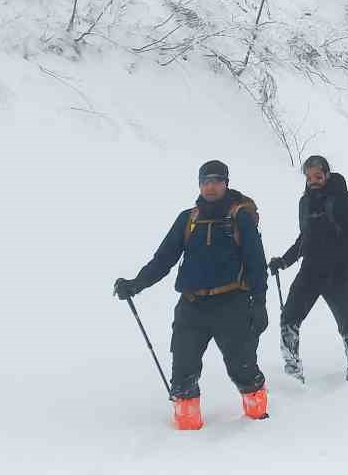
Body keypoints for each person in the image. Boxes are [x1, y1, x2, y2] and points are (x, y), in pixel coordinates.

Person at [114, 160, 268, 430]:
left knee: (242, 367)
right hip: (191, 306)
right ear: (199, 185)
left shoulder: (239, 217)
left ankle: (259, 423)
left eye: (216, 181)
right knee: (183, 371)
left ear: (226, 183)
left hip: (232, 304)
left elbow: (256, 263)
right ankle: (186, 432)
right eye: (205, 181)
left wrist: (260, 303)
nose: (210, 187)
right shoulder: (188, 219)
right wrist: (136, 284)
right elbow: (163, 259)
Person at [266, 154, 348, 383]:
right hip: (311, 270)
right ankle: (292, 372)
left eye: (318, 176)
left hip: (339, 271)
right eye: (309, 177)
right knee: (289, 318)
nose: (313, 181)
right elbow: (304, 239)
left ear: (327, 175)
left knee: (347, 324)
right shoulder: (305, 203)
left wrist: (338, 252)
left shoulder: (345, 199)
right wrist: (284, 261)